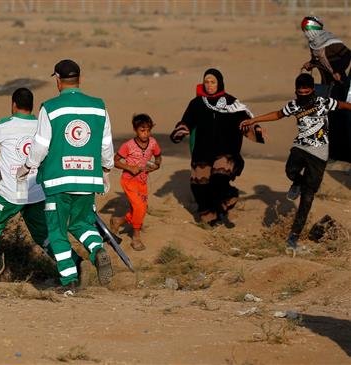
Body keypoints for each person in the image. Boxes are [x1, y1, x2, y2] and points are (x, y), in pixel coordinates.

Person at [0, 88, 82, 280]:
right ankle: (72, 262)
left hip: (13, 192)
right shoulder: (43, 126)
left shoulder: (4, 126)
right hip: (38, 191)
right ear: (32, 106)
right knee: (42, 233)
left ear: (13, 104)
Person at [18, 59, 115, 290]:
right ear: (79, 79)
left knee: (57, 231)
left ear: (58, 81)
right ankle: (97, 249)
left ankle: (69, 281)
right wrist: (106, 170)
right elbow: (106, 144)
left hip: (58, 181)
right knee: (82, 224)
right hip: (88, 179)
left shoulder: (50, 108)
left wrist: (28, 166)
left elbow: (40, 146)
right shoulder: (99, 106)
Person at [240, 73, 351, 254]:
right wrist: (254, 119)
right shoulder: (293, 105)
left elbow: (342, 105)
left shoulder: (323, 102)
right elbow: (277, 114)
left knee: (307, 199)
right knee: (290, 169)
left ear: (312, 90)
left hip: (319, 154)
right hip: (301, 146)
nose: (303, 94)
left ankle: (293, 237)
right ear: (296, 91)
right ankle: (297, 182)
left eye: (307, 91)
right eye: (300, 91)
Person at [170, 68, 262, 228]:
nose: (209, 85)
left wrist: (257, 129)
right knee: (200, 186)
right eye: (206, 82)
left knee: (220, 177)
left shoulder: (231, 102)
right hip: (202, 151)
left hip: (225, 150)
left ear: (219, 83)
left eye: (213, 82)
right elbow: (187, 121)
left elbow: (246, 120)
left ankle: (229, 196)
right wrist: (182, 130)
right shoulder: (197, 103)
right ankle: (210, 214)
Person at [301, 16, 351, 163]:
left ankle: (345, 155)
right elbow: (319, 60)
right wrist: (311, 64)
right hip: (327, 86)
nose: (306, 33)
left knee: (341, 118)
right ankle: (333, 154)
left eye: (307, 29)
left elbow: (348, 55)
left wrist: (337, 70)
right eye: (304, 30)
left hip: (341, 85)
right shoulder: (313, 44)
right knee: (328, 119)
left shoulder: (331, 42)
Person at [110, 114, 162, 251]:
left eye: (148, 130)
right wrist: (129, 167)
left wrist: (156, 165)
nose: (145, 134)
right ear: (135, 129)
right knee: (140, 207)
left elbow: (158, 156)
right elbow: (115, 161)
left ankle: (119, 221)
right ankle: (136, 237)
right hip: (129, 181)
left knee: (139, 209)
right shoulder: (128, 146)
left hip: (143, 182)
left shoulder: (153, 143)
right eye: (142, 130)